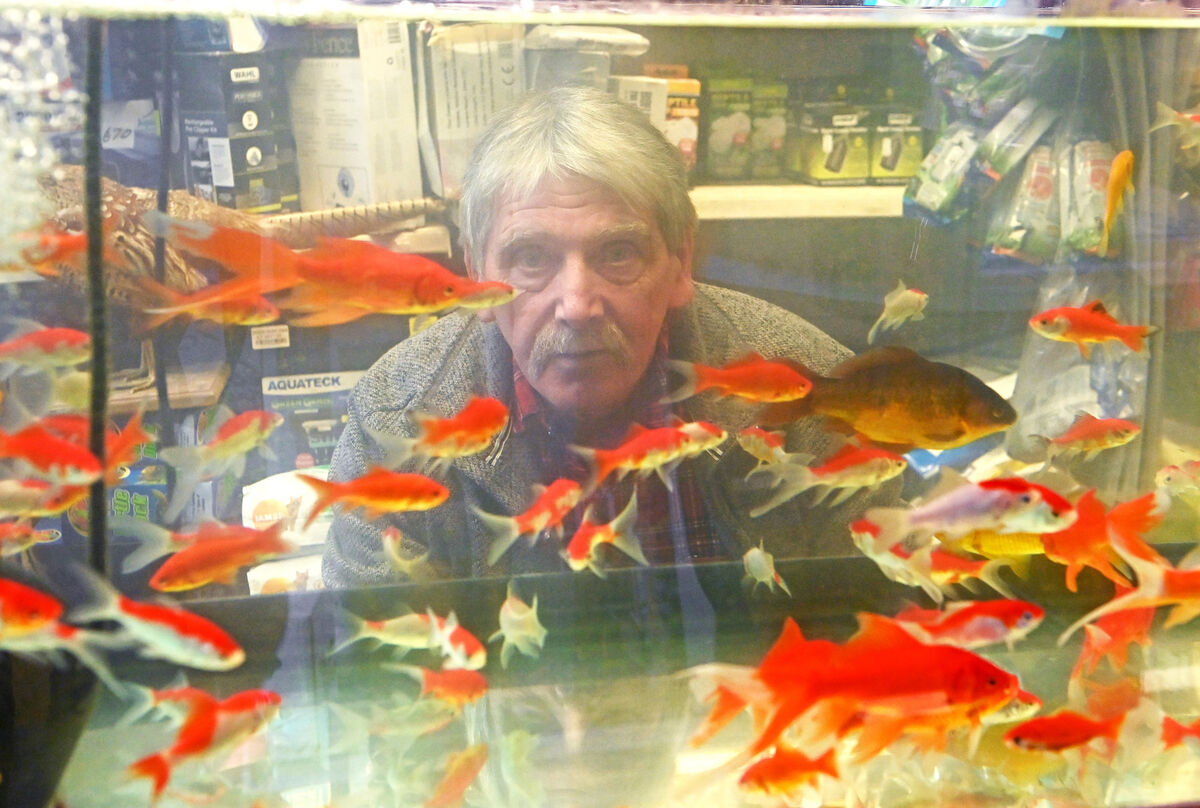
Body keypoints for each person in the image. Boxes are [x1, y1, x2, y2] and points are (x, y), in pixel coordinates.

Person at [321, 86, 896, 587]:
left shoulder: (819, 396)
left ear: (680, 260)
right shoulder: (398, 414)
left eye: (618, 253)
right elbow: (367, 672)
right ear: (475, 275)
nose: (576, 305)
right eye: (530, 258)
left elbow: (887, 639)